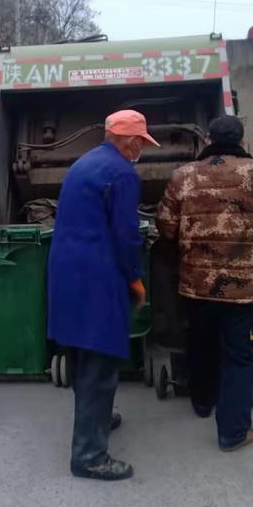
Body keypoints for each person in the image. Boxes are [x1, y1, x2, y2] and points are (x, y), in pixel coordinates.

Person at [156, 115, 253, 452]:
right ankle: (233, 432)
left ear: (208, 140)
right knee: (241, 357)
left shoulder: (183, 176)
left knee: (201, 345)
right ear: (241, 141)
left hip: (197, 287)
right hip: (246, 290)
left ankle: (202, 402)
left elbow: (165, 226)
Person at [48, 109, 159, 481]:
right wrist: (136, 279)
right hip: (97, 277)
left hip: (69, 274)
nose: (142, 149)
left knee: (83, 356)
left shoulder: (85, 163)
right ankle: (89, 456)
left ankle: (97, 417)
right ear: (131, 141)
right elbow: (126, 235)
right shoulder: (121, 173)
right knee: (99, 362)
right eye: (142, 142)